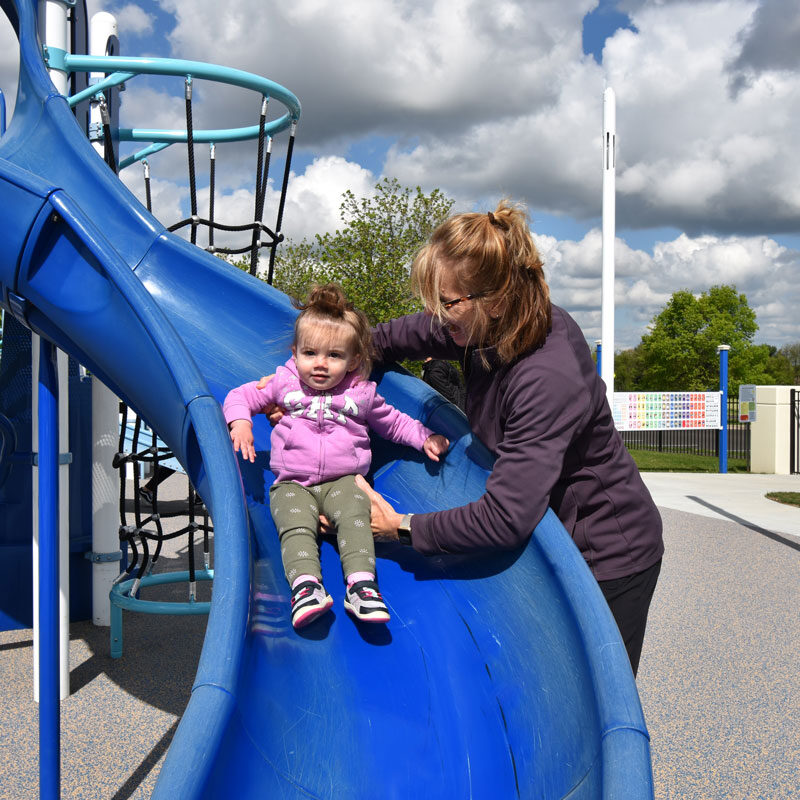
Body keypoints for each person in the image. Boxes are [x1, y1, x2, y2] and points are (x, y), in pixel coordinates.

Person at [357, 201, 664, 676]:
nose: (438, 315)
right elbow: (408, 333)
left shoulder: (546, 374)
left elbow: (505, 517)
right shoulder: (484, 324)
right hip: (550, 529)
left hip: (607, 554)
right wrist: (349, 353)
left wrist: (401, 527)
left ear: (495, 298)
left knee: (586, 690)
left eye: (449, 303)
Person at [223, 284, 449, 630]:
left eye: (334, 356)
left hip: (344, 480)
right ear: (294, 352)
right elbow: (241, 396)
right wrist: (240, 422)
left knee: (356, 517)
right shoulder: (283, 383)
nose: (320, 364)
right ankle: (306, 588)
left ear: (354, 361)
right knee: (293, 525)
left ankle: (361, 586)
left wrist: (424, 438)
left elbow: (394, 423)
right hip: (292, 483)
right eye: (310, 353)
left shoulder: (361, 393)